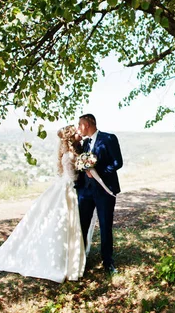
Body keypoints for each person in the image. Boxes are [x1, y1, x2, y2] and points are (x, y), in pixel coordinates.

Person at [0, 125, 86, 283]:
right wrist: (84, 168)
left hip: (66, 188)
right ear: (70, 137)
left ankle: (69, 260)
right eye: (76, 133)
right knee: (64, 224)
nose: (79, 134)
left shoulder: (71, 152)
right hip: (67, 190)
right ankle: (61, 262)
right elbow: (73, 176)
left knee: (66, 224)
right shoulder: (69, 156)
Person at [76, 113, 123, 275]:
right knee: (82, 225)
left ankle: (108, 262)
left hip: (105, 190)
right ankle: (79, 261)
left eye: (79, 124)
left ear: (87, 125)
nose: (78, 127)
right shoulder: (83, 144)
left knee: (105, 226)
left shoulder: (109, 138)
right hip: (85, 192)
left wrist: (99, 172)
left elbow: (118, 162)